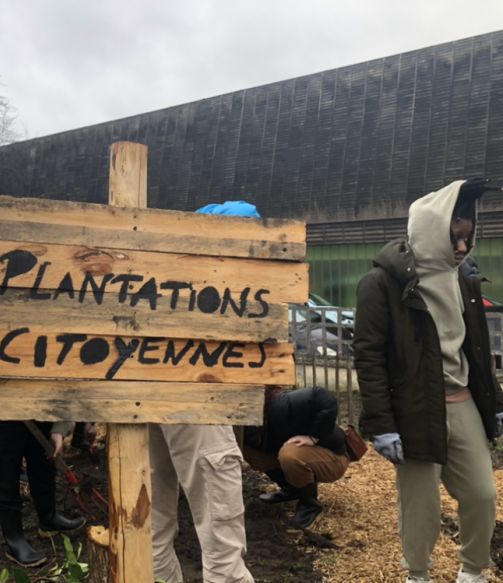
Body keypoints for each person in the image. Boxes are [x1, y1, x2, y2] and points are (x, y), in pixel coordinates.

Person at [354, 178, 503, 583]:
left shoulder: (464, 280)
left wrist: (495, 403)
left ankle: (473, 572)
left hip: (462, 400)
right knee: (421, 504)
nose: (462, 248)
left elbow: (476, 352)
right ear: (430, 230)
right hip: (415, 407)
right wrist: (382, 424)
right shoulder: (382, 283)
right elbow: (368, 357)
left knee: (482, 494)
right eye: (455, 239)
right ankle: (417, 575)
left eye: (467, 239)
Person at [147, 201, 256, 583]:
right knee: (220, 528)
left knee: (151, 524)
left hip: (144, 396)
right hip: (197, 398)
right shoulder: (211, 286)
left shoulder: (163, 281)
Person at [241, 386, 349, 532]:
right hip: (297, 452)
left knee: (289, 454)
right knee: (246, 450)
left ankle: (309, 506)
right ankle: (291, 490)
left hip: (333, 457)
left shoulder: (281, 404)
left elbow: (324, 397)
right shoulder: (242, 420)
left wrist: (313, 437)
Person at [0, 419, 85, 567]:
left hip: (39, 413)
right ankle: (14, 541)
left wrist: (60, 430)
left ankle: (49, 519)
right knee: (7, 473)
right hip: (2, 418)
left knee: (43, 461)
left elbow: (66, 404)